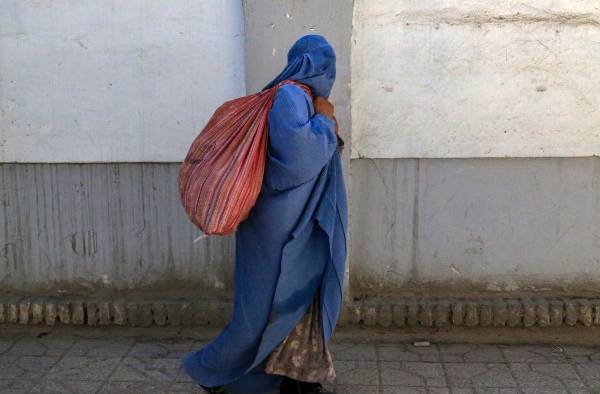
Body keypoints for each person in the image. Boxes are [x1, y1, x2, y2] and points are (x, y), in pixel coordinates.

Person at [182, 34, 347, 394]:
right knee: (261, 309)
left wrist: (325, 122)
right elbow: (298, 158)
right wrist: (324, 121)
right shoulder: (290, 95)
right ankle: (213, 371)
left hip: (301, 225)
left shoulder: (303, 98)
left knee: (302, 301)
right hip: (281, 229)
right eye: (326, 64)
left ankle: (295, 376)